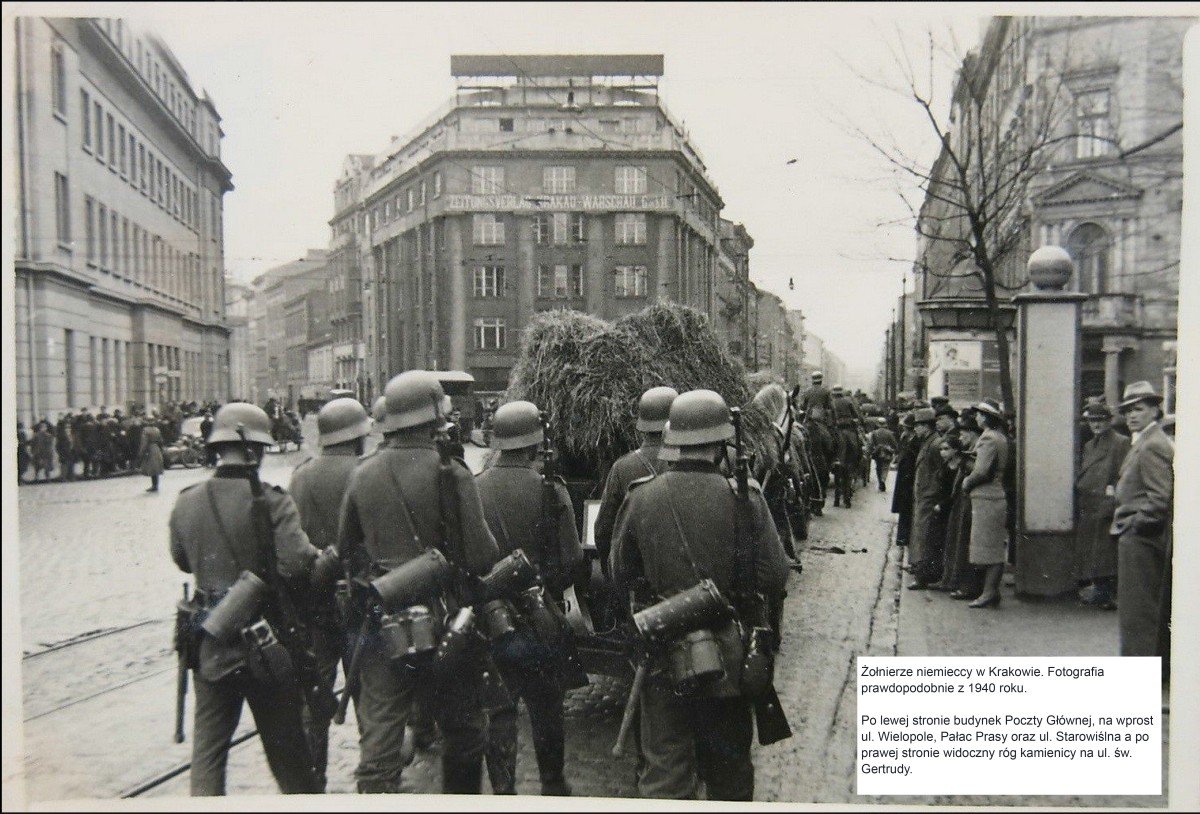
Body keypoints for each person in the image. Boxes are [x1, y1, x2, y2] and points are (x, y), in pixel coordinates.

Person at [609, 389, 789, 800]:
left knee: (665, 776)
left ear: (672, 439)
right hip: (728, 659)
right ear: (722, 442)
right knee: (729, 777)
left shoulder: (641, 496)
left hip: (662, 654)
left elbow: (620, 573)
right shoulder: (745, 497)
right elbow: (775, 577)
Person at [338, 371, 500, 794]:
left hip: (385, 618)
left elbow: (346, 549)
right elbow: (482, 556)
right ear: (436, 420)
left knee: (380, 741)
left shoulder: (362, 474)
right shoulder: (453, 473)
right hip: (448, 622)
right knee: (463, 733)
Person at [169, 403, 322, 795]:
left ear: (217, 447)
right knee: (287, 752)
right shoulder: (274, 501)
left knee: (208, 752)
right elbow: (296, 563)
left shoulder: (187, 500)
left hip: (210, 637)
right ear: (256, 449)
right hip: (265, 641)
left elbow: (182, 560)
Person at [475, 400, 582, 796]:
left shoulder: (474, 488)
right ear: (536, 444)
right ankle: (552, 783)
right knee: (547, 706)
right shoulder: (551, 490)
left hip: (491, 618)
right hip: (540, 616)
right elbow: (572, 560)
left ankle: (503, 791)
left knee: (499, 708)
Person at [288, 397, 373, 792]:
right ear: (357, 436)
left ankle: (312, 781)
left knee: (314, 696)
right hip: (362, 600)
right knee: (369, 697)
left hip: (316, 602)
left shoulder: (301, 476)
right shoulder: (366, 472)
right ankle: (373, 777)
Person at [1109, 382, 1174, 665]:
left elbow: (1160, 497)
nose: (1131, 416)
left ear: (1155, 410)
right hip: (1138, 536)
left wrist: (1135, 524)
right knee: (1142, 609)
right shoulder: (1146, 441)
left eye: (1138, 409)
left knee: (1139, 611)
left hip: (1142, 538)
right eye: (1127, 411)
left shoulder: (1152, 444)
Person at [594, 387, 678, 577]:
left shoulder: (622, 467)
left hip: (636, 574)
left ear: (642, 427)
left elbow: (603, 530)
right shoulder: (686, 462)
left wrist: (611, 575)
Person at [1074, 402, 1130, 610]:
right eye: (1092, 421)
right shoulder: (1090, 445)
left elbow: (1125, 474)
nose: (1095, 425)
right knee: (1094, 550)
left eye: (1100, 420)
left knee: (1106, 551)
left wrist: (1112, 495)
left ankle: (1108, 593)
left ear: (1109, 421)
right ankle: (1099, 590)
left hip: (1106, 503)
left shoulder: (1120, 442)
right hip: (1089, 503)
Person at [962, 401, 1011, 608]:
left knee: (988, 548)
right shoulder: (1000, 437)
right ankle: (990, 591)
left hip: (986, 497)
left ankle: (989, 592)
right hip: (994, 496)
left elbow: (982, 471)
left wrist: (966, 482)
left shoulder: (988, 438)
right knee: (991, 545)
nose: (977, 418)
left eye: (980, 414)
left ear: (987, 417)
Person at [906, 408, 945, 588]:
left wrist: (936, 493)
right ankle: (920, 570)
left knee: (925, 537)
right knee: (921, 535)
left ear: (927, 426)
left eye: (918, 426)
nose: (915, 429)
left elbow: (942, 473)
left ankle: (922, 576)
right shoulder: (928, 442)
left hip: (930, 496)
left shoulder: (936, 444)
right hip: (924, 495)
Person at [891, 411, 919, 547]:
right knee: (904, 508)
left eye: (906, 428)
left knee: (906, 509)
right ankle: (902, 537)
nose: (904, 430)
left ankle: (903, 537)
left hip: (908, 480)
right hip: (904, 479)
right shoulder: (906, 439)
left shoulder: (914, 442)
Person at [867, 418, 897, 492]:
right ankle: (883, 480)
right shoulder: (889, 433)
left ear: (878, 424)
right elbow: (894, 444)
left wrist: (870, 451)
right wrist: (894, 450)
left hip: (877, 452)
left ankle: (880, 482)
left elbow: (871, 444)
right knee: (885, 467)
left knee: (878, 468)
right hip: (887, 452)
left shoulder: (874, 433)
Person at [137, 419, 166, 493]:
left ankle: (154, 485)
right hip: (157, 448)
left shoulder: (146, 430)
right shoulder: (157, 430)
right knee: (156, 468)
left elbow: (144, 443)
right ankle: (155, 485)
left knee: (152, 468)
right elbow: (161, 440)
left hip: (150, 449)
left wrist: (141, 452)